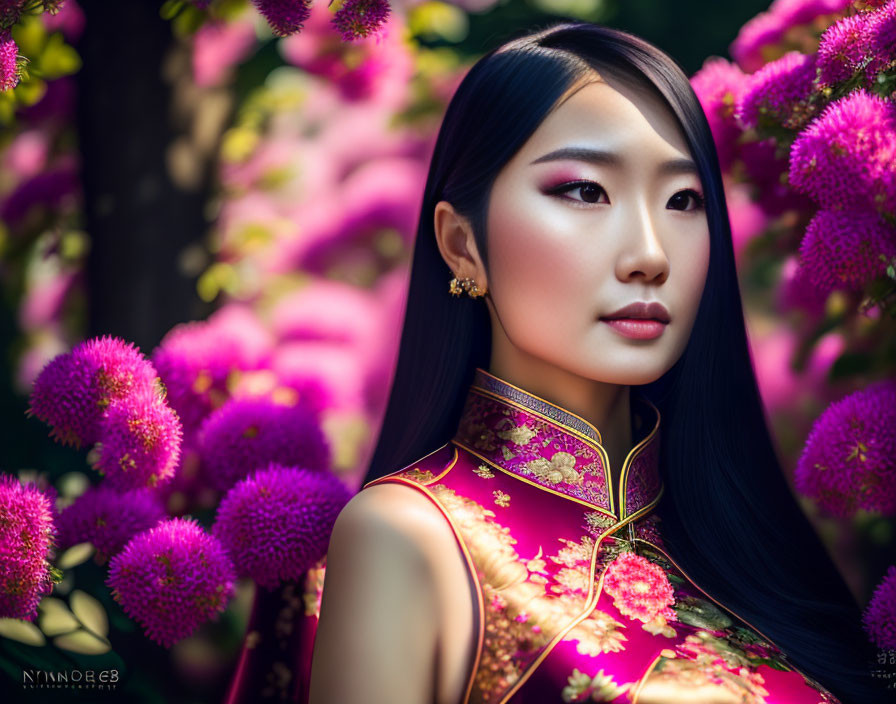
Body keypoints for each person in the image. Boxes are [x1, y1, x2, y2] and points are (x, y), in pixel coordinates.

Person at [304, 21, 884, 704]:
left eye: (683, 201)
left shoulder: (752, 555)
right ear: (462, 245)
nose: (649, 253)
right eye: (585, 191)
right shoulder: (414, 539)